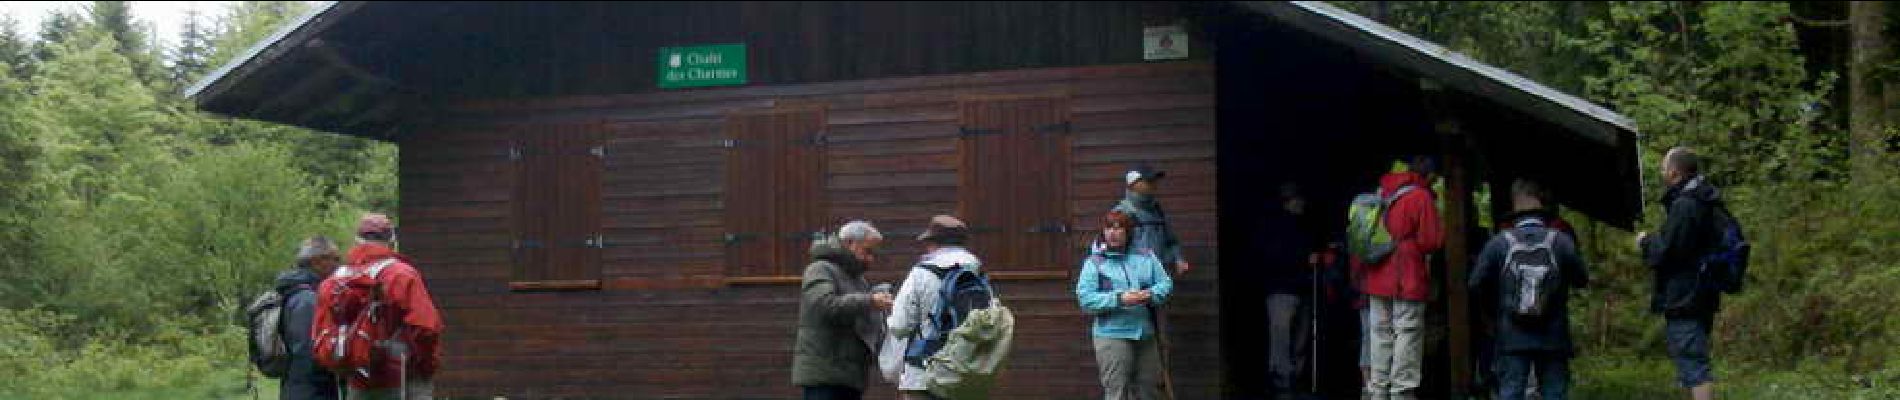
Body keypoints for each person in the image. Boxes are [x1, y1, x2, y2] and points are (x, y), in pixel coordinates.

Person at [1469, 179, 1591, 400]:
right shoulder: (1561, 241)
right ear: (1542, 207)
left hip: (1511, 335)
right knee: (1554, 392)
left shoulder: (1499, 243)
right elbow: (1582, 279)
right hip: (1554, 334)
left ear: (1514, 211)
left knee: (1511, 392)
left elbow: (1475, 283)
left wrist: (1494, 311)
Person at [315, 213, 443, 400]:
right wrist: (426, 365)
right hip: (403, 378)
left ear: (357, 242)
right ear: (392, 241)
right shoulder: (401, 275)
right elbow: (426, 328)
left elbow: (320, 333)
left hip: (357, 379)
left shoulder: (334, 281)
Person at [1636, 147, 1722, 400]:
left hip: (1686, 296)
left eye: (1663, 168)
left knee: (1694, 365)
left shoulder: (1686, 205)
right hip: (1700, 291)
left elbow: (1669, 252)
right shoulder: (1704, 199)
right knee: (1690, 362)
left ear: (1674, 173)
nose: (1662, 172)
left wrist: (1645, 242)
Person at [1361, 156, 1444, 400]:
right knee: (1407, 330)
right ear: (1428, 176)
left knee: (1379, 332)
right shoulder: (1421, 196)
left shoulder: (1382, 191)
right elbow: (1431, 241)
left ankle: (1377, 389)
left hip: (1377, 272)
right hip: (1406, 273)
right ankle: (1402, 390)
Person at [1077, 210, 1175, 400]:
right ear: (1103, 232)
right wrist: (1120, 299)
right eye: (1108, 228)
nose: (1113, 233)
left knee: (1151, 390)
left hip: (1145, 335)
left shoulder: (1146, 256)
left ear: (1128, 232)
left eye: (1119, 228)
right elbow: (1085, 298)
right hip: (1112, 336)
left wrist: (1151, 294)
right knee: (1117, 392)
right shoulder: (1095, 263)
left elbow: (1166, 283)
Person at [794, 221, 894, 400]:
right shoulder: (819, 269)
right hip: (824, 375)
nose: (871, 258)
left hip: (850, 375)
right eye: (867, 251)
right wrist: (870, 301)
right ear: (850, 243)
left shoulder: (858, 279)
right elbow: (824, 305)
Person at [886, 216, 982, 400]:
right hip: (967, 372)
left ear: (934, 243)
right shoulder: (977, 272)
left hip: (924, 375)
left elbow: (900, 325)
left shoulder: (921, 273)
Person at [1258, 183, 1319, 399]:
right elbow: (1273, 256)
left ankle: (1295, 376)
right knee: (1282, 336)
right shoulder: (1274, 226)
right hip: (1281, 289)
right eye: (1297, 199)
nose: (1301, 203)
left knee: (1300, 336)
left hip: (1301, 288)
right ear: (1288, 201)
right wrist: (1305, 260)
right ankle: (1282, 379)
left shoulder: (1303, 225)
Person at [280, 236, 343, 400]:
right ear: (317, 261)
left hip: (298, 387)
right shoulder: (307, 299)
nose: (338, 265)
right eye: (334, 259)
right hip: (310, 391)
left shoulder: (297, 292)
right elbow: (306, 351)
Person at [1111, 164, 1191, 275]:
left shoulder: (1157, 211)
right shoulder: (1121, 213)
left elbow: (1171, 241)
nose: (1154, 184)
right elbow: (1112, 252)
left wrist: (1178, 259)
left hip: (1160, 279)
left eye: (1154, 180)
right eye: (1148, 180)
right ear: (1133, 184)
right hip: (1133, 283)